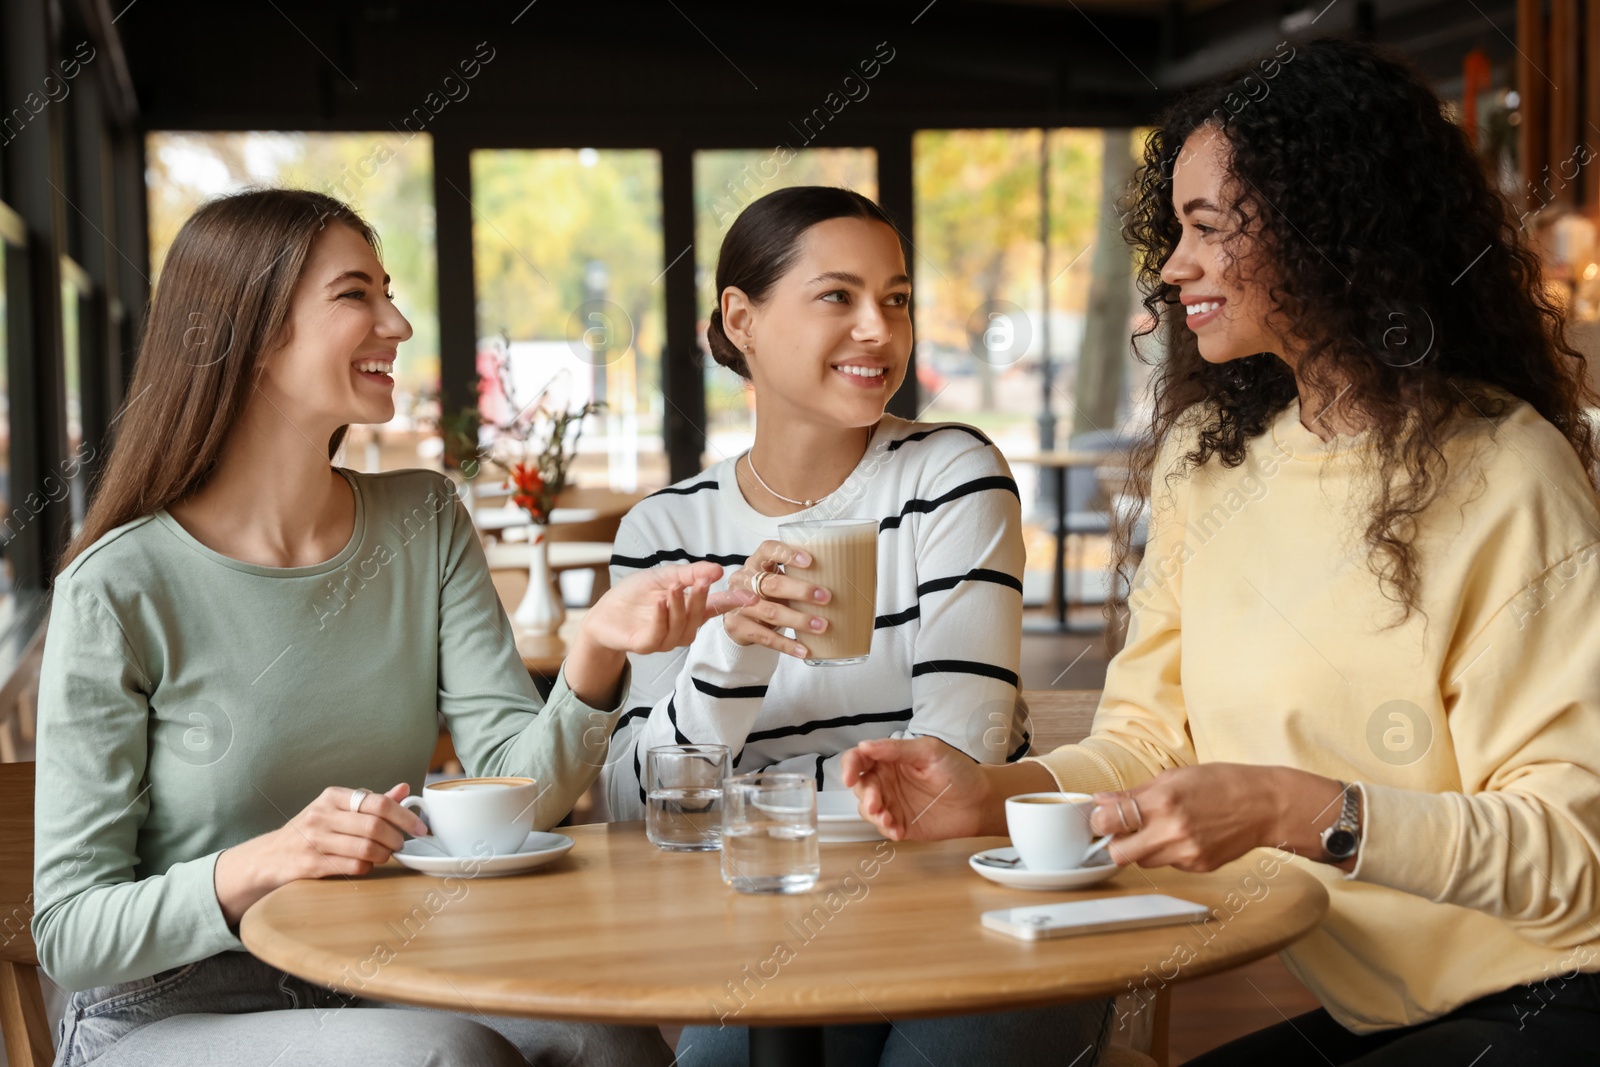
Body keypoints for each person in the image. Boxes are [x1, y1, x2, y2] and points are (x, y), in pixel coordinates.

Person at [844, 37, 1600, 1067]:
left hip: (1549, 991)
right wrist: (992, 791)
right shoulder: (1210, 462)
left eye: (1207, 228)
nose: (1173, 267)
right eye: (1175, 231)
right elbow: (1147, 744)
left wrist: (1299, 810)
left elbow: (1576, 853)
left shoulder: (1510, 471)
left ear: (1327, 230)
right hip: (1377, 1007)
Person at [32, 188, 751, 1067]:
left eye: (389, 290)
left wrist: (597, 646)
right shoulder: (118, 584)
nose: (398, 322)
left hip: (378, 965)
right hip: (169, 1008)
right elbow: (69, 928)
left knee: (606, 1036)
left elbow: (511, 790)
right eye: (355, 295)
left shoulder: (422, 518)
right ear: (252, 336)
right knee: (443, 1050)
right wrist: (260, 862)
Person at [599, 186, 1110, 1066]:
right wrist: (730, 646)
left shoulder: (952, 473)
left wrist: (757, 814)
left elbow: (962, 762)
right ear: (742, 318)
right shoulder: (664, 532)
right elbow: (644, 809)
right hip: (764, 934)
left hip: (973, 914)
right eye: (838, 295)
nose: (880, 328)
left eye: (898, 299)